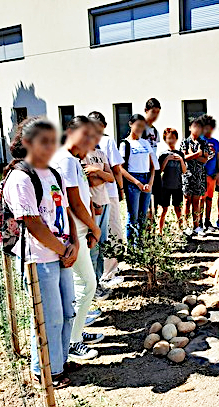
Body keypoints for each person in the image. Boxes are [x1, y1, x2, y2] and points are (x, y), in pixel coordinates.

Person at [3, 117, 78, 388]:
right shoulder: (22, 178)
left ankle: (59, 360)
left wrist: (74, 245)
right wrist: (63, 250)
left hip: (62, 255)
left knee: (67, 312)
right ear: (27, 143)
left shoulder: (52, 173)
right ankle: (44, 371)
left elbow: (66, 210)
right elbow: (33, 223)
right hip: (40, 259)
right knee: (49, 318)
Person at [51, 115, 102, 361]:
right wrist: (95, 227)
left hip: (80, 231)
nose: (90, 145)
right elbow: (74, 202)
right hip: (74, 233)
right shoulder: (66, 161)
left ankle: (76, 332)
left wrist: (90, 223)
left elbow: (84, 197)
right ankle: (73, 341)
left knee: (77, 287)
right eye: (87, 137)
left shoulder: (72, 160)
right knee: (87, 285)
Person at [87, 111, 125, 288]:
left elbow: (108, 173)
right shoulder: (103, 142)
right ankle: (108, 274)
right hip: (105, 195)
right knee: (110, 233)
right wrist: (119, 187)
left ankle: (105, 273)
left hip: (101, 193)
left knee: (102, 234)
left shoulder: (93, 144)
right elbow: (114, 170)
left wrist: (98, 174)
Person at [81, 121, 114, 302]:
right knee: (93, 247)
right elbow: (91, 182)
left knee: (102, 246)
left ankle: (98, 281)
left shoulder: (101, 154)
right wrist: (99, 174)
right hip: (95, 206)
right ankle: (91, 286)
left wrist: (96, 171)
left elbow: (110, 178)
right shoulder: (83, 155)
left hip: (105, 202)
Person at [119, 114, 155, 240]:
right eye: (138, 125)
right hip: (133, 181)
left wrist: (150, 182)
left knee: (143, 217)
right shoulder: (125, 144)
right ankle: (132, 250)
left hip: (146, 179)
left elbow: (152, 166)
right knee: (133, 216)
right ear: (130, 124)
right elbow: (121, 168)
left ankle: (141, 246)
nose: (140, 128)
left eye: (142, 126)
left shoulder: (145, 143)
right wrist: (137, 183)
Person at [181, 117, 208, 235]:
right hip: (187, 175)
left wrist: (192, 155)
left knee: (197, 200)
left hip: (199, 175)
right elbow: (183, 157)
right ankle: (186, 226)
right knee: (187, 200)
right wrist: (197, 154)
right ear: (189, 128)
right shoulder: (185, 142)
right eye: (194, 126)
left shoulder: (203, 142)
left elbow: (205, 159)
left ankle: (197, 226)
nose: (197, 129)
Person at [158, 128, 187, 234]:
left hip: (178, 186)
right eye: (169, 138)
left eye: (173, 138)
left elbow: (184, 171)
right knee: (163, 210)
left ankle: (181, 230)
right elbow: (160, 170)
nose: (171, 140)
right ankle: (160, 231)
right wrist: (167, 159)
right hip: (165, 186)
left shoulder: (180, 154)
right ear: (165, 140)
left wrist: (180, 160)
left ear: (176, 139)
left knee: (178, 209)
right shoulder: (163, 155)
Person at [200, 115, 219, 231]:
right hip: (201, 175)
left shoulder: (215, 142)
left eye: (210, 127)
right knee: (201, 199)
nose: (208, 130)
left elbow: (218, 158)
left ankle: (207, 221)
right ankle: (199, 223)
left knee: (209, 199)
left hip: (212, 175)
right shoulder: (199, 140)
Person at [143, 98, 162, 217]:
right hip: (144, 168)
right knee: (146, 203)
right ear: (146, 110)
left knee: (156, 202)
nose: (155, 115)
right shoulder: (140, 128)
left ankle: (153, 227)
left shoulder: (155, 130)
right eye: (153, 112)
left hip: (155, 167)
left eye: (158, 112)